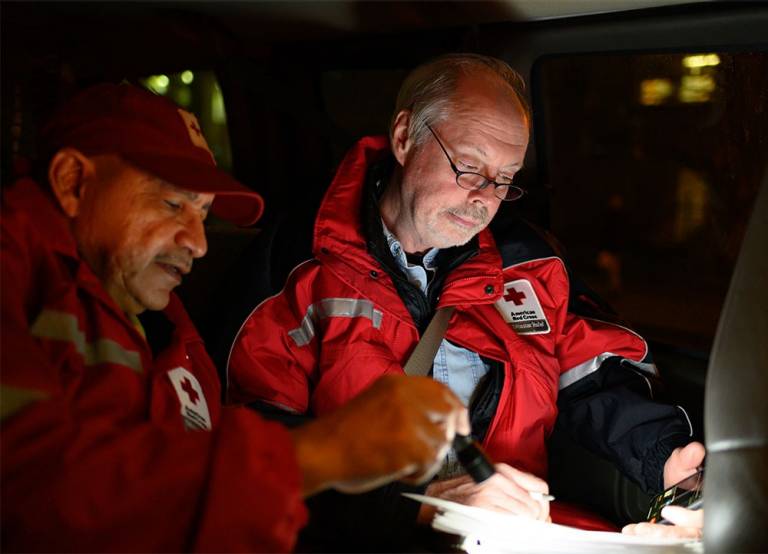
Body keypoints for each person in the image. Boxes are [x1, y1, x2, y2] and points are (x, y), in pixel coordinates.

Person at [226, 53, 705, 547]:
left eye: (505, 179)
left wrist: (663, 456)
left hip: (520, 532)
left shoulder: (530, 262)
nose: (484, 199)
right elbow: (255, 458)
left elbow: (592, 376)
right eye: (469, 168)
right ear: (404, 137)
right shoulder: (299, 268)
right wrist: (421, 506)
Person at [0, 83, 470, 552]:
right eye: (171, 204)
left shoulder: (162, 322)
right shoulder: (20, 279)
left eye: (203, 216)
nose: (198, 244)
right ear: (72, 183)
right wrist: (321, 450)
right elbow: (34, 494)